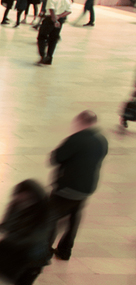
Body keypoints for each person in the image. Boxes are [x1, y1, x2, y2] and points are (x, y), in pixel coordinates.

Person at [49, 111, 108, 261]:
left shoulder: (76, 139)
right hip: (86, 188)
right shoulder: (102, 140)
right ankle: (65, 251)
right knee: (74, 218)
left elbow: (56, 158)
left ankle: (42, 251)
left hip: (67, 188)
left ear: (80, 122)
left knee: (50, 217)